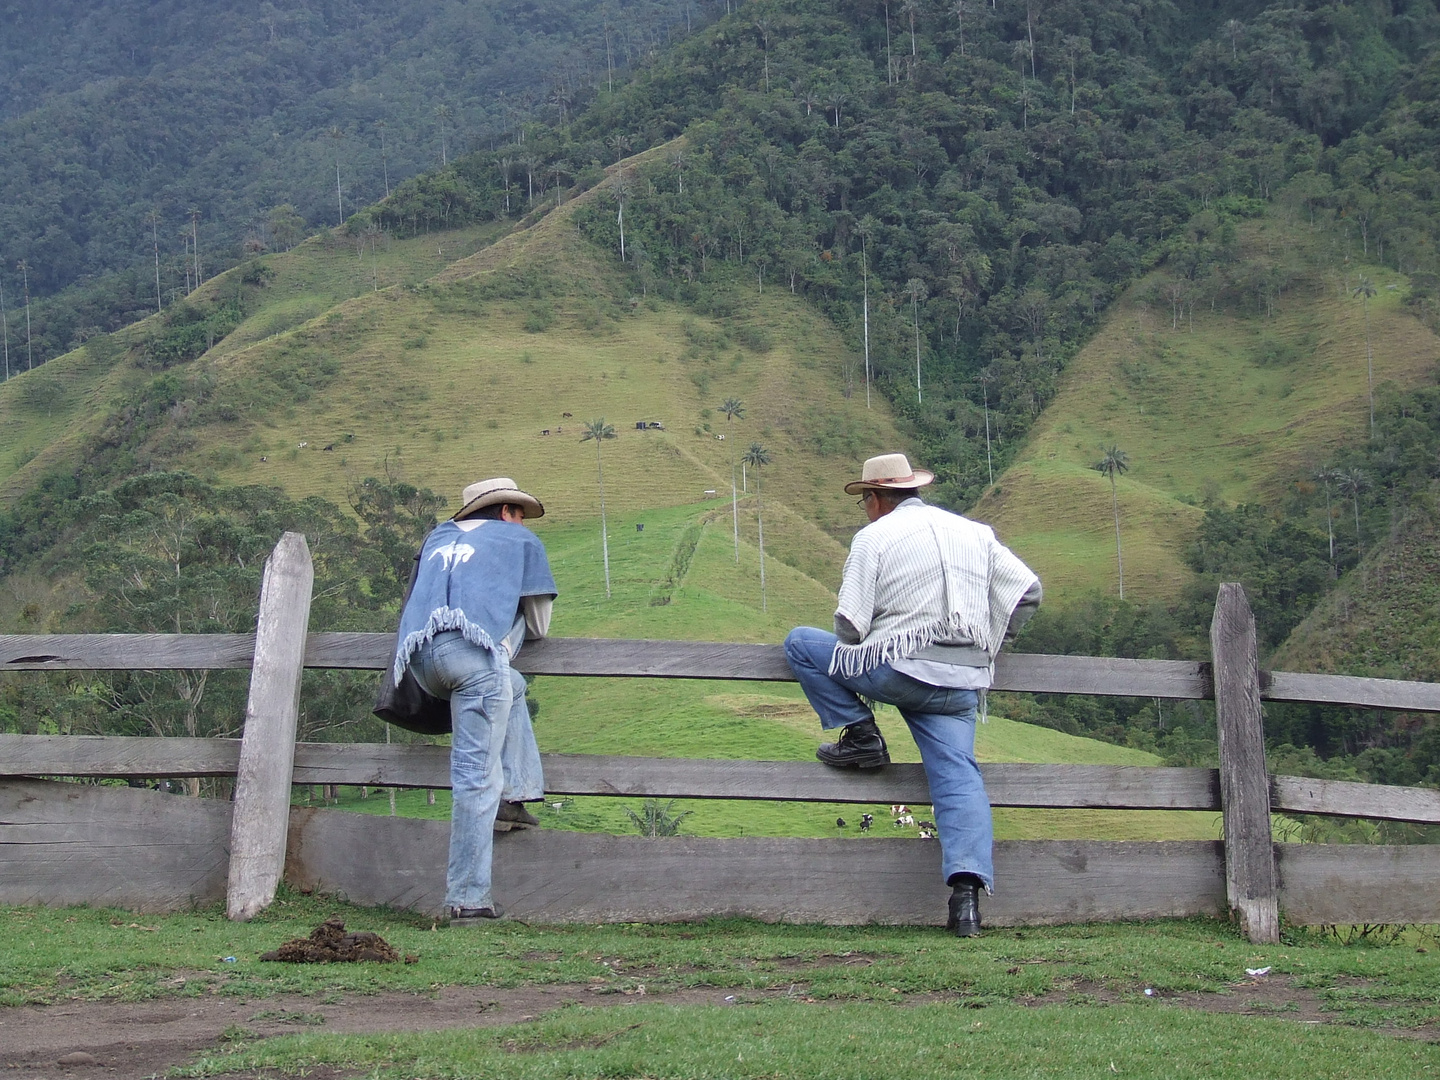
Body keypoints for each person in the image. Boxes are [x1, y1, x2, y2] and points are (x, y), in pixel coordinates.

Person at [784, 453, 1041, 937]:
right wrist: (990, 644)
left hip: (899, 670)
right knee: (959, 780)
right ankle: (966, 903)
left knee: (800, 642)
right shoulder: (976, 533)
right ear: (913, 489)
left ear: (877, 498)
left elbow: (849, 624)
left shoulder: (874, 537)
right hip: (962, 683)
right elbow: (1028, 592)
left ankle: (861, 735)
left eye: (865, 500)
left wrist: (885, 638)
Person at [392, 477, 558, 925]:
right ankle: (468, 900)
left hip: (422, 662)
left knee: (512, 687)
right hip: (474, 660)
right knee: (475, 779)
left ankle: (517, 791)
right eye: (518, 511)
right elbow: (539, 625)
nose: (522, 520)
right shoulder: (519, 539)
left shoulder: (437, 537)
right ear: (505, 511)